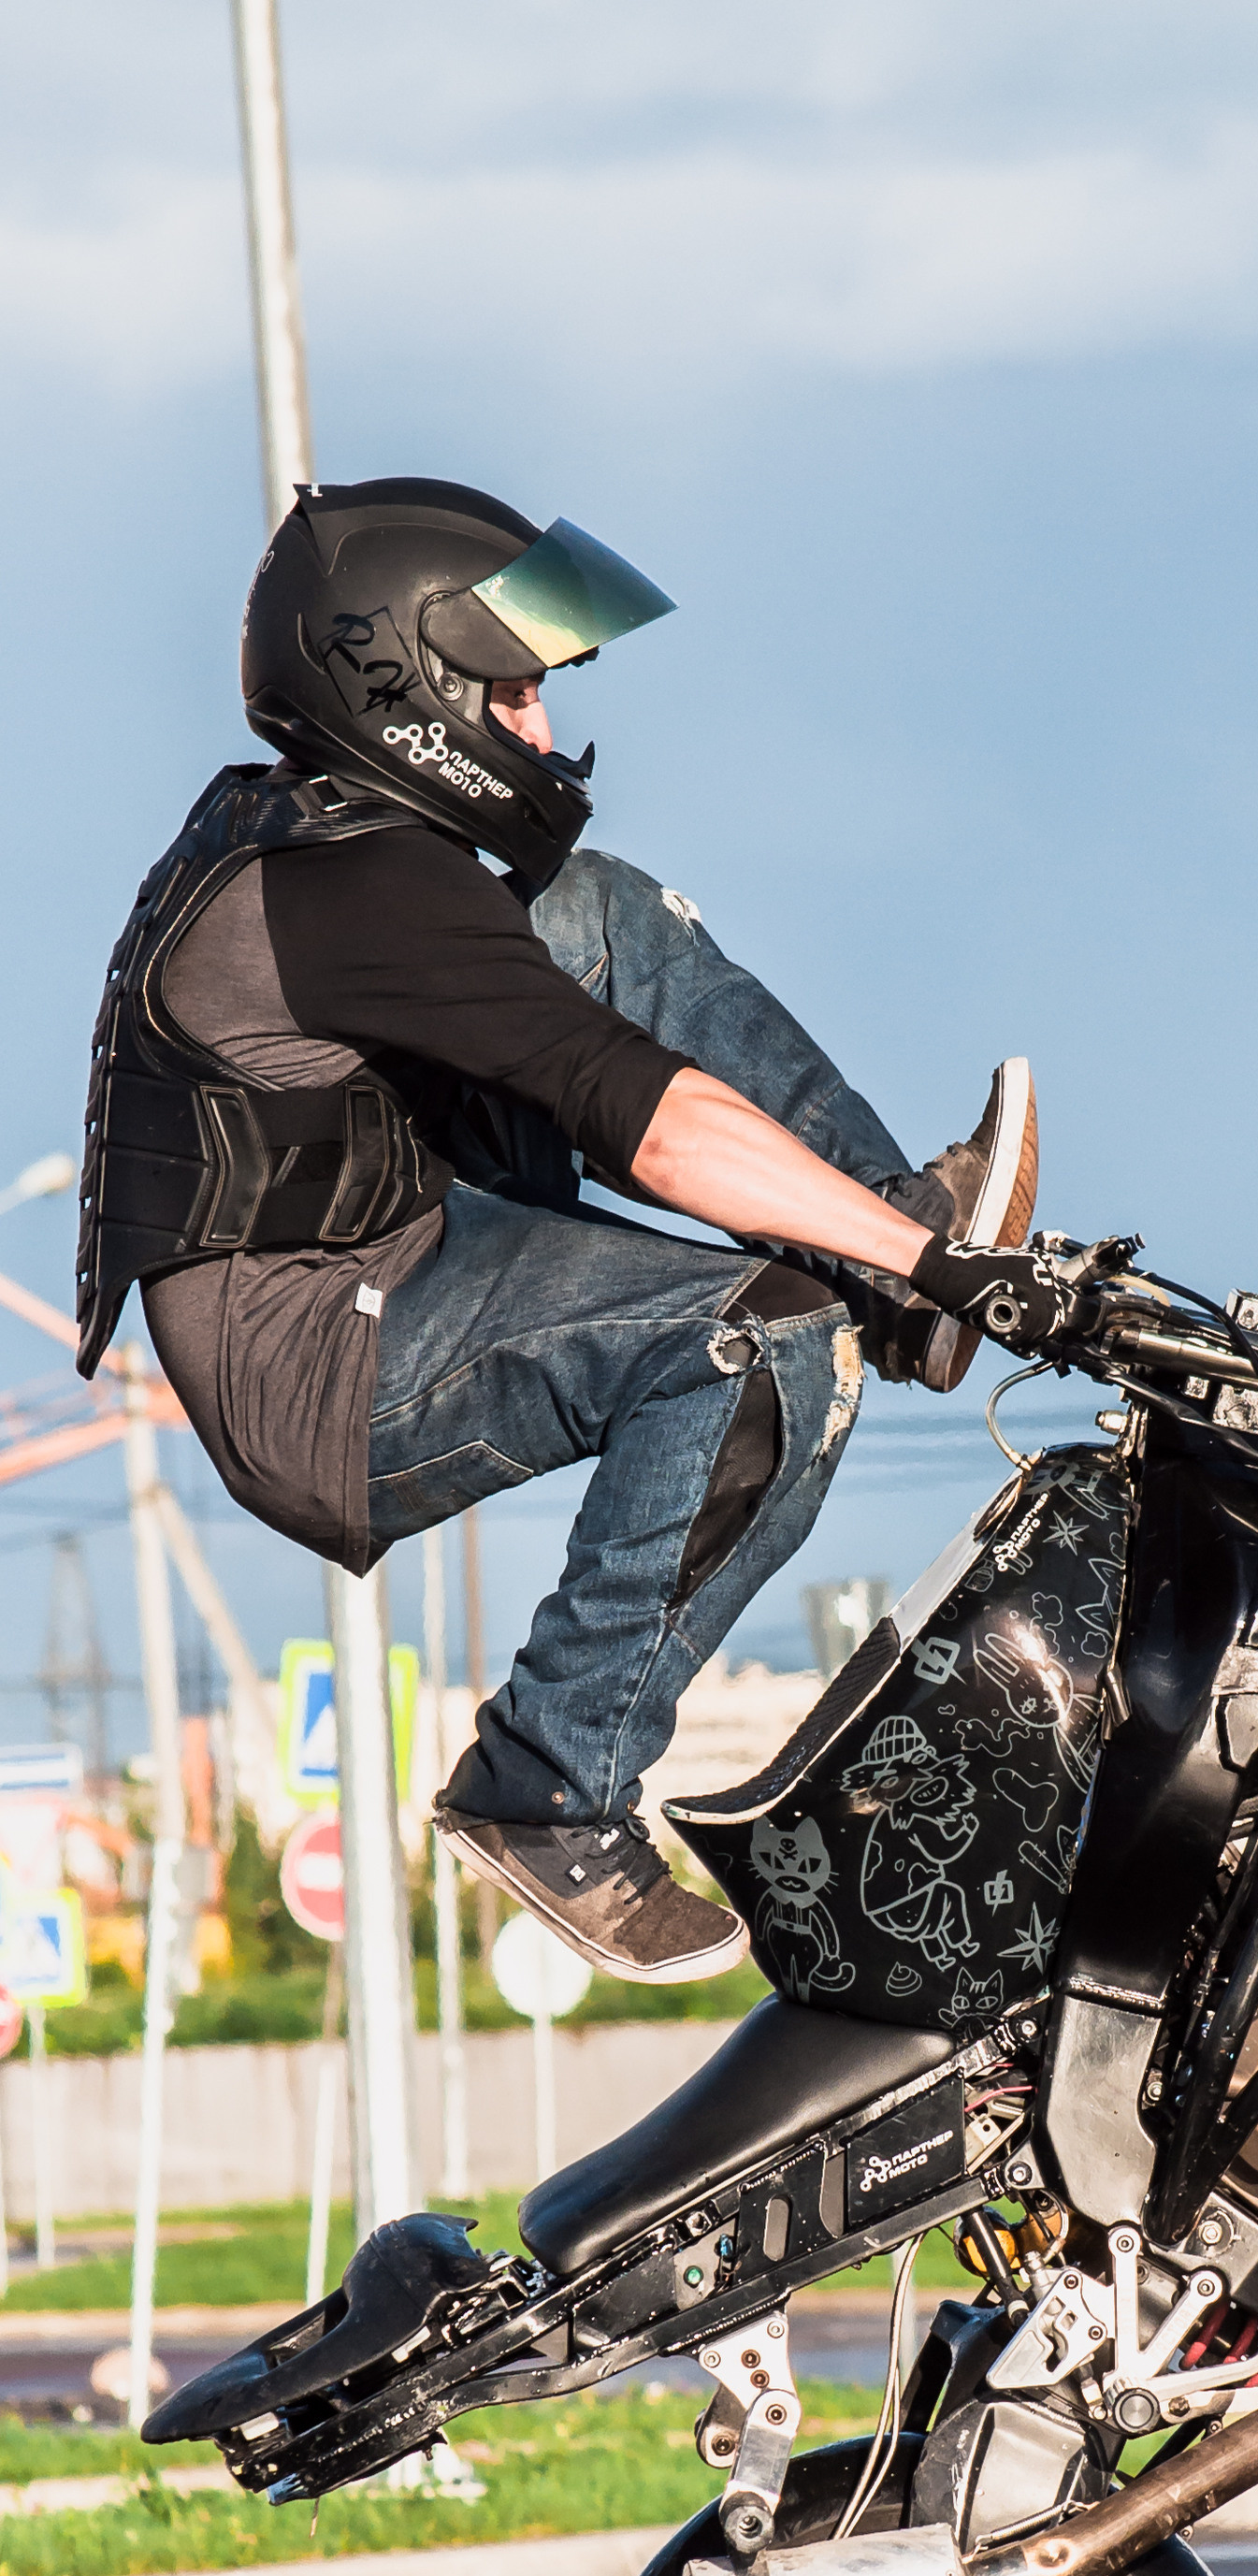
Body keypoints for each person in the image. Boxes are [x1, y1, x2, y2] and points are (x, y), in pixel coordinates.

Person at [76, 474, 1047, 1982]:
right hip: (326, 1374)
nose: (539, 730)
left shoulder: (344, 851)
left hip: (398, 1232)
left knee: (598, 909)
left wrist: (904, 1249)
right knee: (761, 1341)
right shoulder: (350, 893)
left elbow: (598, 1030)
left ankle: (904, 1256)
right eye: (515, 692)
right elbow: (643, 1117)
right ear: (404, 684)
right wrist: (924, 1258)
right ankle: (551, 1786)